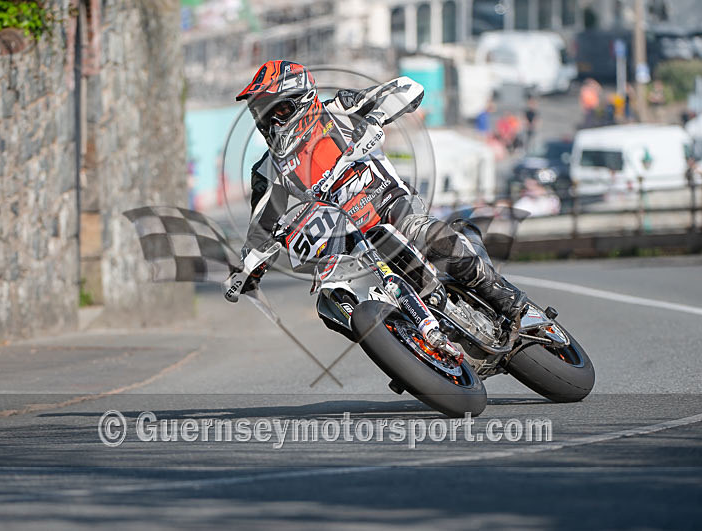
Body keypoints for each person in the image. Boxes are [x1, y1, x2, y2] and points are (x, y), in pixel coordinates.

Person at [225, 60, 526, 347]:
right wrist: (246, 269)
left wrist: (376, 117)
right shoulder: (269, 169)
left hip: (390, 205)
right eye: (262, 114)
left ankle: (512, 303)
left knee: (428, 236)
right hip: (344, 239)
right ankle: (403, 345)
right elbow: (262, 225)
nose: (270, 122)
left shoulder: (340, 110)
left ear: (301, 100)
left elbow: (409, 88)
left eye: (277, 111)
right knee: (329, 299)